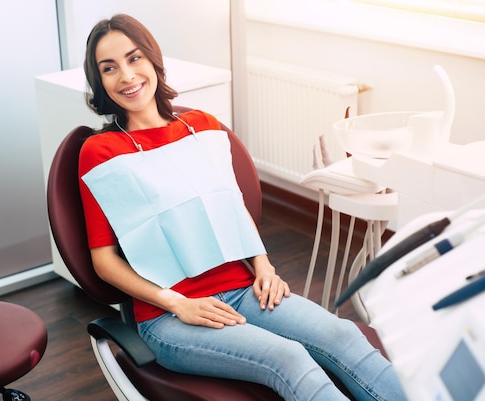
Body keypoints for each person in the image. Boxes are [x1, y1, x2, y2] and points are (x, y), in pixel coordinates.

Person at [78, 14, 407, 401]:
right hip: (169, 316)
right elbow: (103, 260)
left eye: (134, 59)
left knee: (343, 335)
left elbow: (231, 208)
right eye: (109, 68)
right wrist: (177, 303)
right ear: (99, 81)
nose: (127, 76)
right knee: (289, 359)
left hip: (243, 289)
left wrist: (264, 267)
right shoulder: (100, 153)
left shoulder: (202, 126)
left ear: (153, 60)